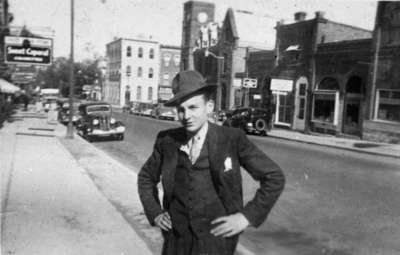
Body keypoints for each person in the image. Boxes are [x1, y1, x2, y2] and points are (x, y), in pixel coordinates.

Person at [138, 70, 285, 255]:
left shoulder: (231, 139)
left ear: (209, 106)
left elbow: (274, 177)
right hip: (176, 241)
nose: (186, 116)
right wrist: (155, 212)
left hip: (216, 243)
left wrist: (246, 217)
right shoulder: (167, 141)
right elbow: (145, 177)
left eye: (193, 108)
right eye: (181, 110)